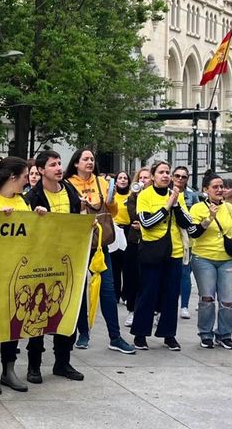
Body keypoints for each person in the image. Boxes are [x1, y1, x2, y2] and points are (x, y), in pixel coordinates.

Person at [0, 156, 43, 395]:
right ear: (13, 177)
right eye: (25, 177)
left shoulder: (23, 201)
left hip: (17, 272)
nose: (27, 181)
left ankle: (9, 368)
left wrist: (39, 218)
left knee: (14, 320)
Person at [63, 149, 134, 354]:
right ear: (76, 163)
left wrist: (110, 202)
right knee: (80, 290)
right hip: (78, 243)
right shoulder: (68, 184)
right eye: (85, 159)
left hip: (100, 243)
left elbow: (113, 212)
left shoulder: (102, 183)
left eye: (92, 159)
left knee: (108, 290)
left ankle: (115, 336)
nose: (90, 162)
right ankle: (83, 333)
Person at [24, 150, 85, 383]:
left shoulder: (70, 190)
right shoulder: (32, 196)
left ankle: (62, 362)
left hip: (68, 261)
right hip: (42, 262)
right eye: (52, 165)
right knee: (38, 312)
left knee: (66, 312)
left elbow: (78, 217)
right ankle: (34, 365)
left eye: (59, 163)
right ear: (40, 171)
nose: (59, 168)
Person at [131, 161, 202, 351]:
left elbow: (188, 222)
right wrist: (167, 205)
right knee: (148, 292)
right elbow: (146, 222)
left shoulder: (175, 195)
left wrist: (177, 205)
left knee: (171, 294)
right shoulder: (144, 195)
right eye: (161, 172)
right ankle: (140, 334)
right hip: (152, 250)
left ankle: (168, 334)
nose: (165, 176)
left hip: (174, 250)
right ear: (152, 176)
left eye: (167, 172)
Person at [189, 174, 232, 350]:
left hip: (227, 259)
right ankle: (205, 334)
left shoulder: (229, 208)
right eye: (215, 187)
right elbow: (194, 233)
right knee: (207, 298)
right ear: (205, 190)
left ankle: (224, 334)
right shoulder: (197, 208)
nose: (220, 190)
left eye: (222, 186)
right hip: (203, 258)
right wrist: (209, 219)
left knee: (228, 300)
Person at [122, 167, 151, 327]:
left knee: (148, 279)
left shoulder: (157, 196)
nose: (143, 180)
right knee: (132, 277)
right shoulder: (133, 196)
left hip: (151, 242)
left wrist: (145, 224)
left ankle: (151, 310)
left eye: (146, 178)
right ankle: (132, 310)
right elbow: (135, 215)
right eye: (141, 178)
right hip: (135, 241)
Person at [171, 166, 196, 320]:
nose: (180, 179)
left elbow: (194, 217)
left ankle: (184, 306)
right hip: (169, 238)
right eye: (177, 176)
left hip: (187, 238)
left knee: (185, 272)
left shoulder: (192, 196)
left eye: (184, 177)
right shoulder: (165, 192)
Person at [110, 171, 132, 304]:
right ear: (116, 181)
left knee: (128, 265)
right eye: (120, 178)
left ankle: (126, 294)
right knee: (114, 265)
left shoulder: (132, 196)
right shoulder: (112, 196)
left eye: (125, 178)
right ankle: (115, 294)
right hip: (114, 230)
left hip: (128, 230)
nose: (122, 180)